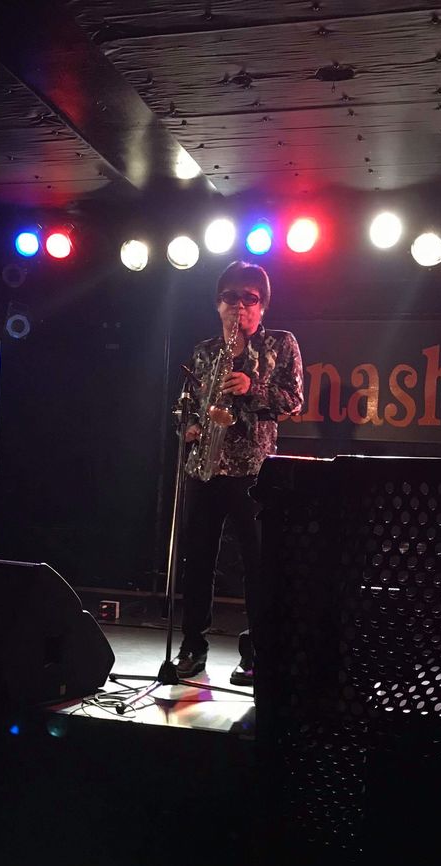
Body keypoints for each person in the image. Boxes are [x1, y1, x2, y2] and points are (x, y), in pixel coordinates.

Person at [175, 261, 303, 686]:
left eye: (250, 298)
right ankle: (193, 647)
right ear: (218, 304)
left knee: (258, 567)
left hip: (254, 472)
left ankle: (257, 653)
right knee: (197, 562)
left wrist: (252, 387)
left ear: (262, 306)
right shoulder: (204, 350)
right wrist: (189, 426)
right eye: (231, 297)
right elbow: (187, 404)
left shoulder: (281, 344)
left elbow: (293, 401)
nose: (240, 305)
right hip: (205, 468)